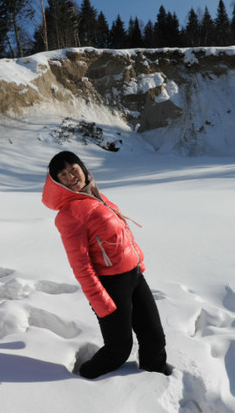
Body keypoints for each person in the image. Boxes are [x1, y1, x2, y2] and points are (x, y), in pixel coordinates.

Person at [41, 150, 170, 379]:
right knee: (118, 349)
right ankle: (82, 380)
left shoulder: (95, 196)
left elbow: (121, 232)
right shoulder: (70, 214)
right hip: (111, 285)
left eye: (73, 169)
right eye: (63, 174)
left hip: (134, 276)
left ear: (82, 168)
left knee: (154, 338)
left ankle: (154, 381)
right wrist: (100, 301)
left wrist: (138, 261)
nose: (71, 176)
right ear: (57, 182)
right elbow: (80, 265)